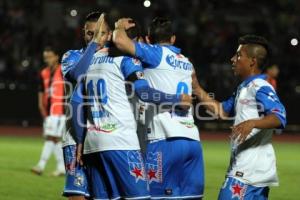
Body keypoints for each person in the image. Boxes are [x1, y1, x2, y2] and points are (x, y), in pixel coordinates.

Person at [80, 16, 192, 200]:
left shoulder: (90, 60)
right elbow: (145, 93)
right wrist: (177, 99)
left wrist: (79, 140)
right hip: (120, 142)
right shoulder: (126, 60)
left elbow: (78, 99)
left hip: (93, 144)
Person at [113, 17, 204, 199]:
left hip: (164, 140)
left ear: (147, 39)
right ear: (173, 39)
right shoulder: (187, 62)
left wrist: (118, 27)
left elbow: (119, 40)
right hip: (192, 141)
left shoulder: (154, 54)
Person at [192, 35, 286, 200]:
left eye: (239, 55)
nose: (233, 59)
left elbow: (279, 116)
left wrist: (252, 123)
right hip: (252, 171)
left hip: (248, 171)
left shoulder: (261, 86)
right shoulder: (244, 88)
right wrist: (197, 87)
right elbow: (221, 111)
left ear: (252, 61)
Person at [60, 11, 106, 199]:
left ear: (108, 35)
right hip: (74, 135)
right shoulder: (71, 56)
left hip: (102, 137)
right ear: (83, 33)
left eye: (100, 33)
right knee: (77, 195)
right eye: (90, 34)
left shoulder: (112, 60)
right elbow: (76, 74)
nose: (94, 38)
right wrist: (94, 44)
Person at [31, 46, 65, 177]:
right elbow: (41, 90)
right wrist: (41, 104)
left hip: (60, 109)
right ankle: (61, 167)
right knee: (55, 139)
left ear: (56, 57)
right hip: (50, 111)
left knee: (51, 137)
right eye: (45, 57)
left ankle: (41, 165)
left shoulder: (63, 70)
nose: (47, 60)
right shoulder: (43, 73)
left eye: (50, 57)